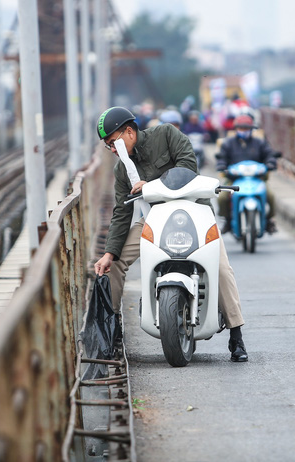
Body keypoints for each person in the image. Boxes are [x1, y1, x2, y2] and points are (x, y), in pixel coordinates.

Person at [93, 106, 248, 362]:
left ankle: (236, 334)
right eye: (107, 146)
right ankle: (113, 331)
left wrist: (151, 185)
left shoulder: (166, 135)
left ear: (129, 132)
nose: (111, 149)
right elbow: (122, 213)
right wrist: (109, 252)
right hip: (154, 219)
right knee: (116, 263)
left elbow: (188, 166)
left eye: (112, 142)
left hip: (195, 212)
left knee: (220, 267)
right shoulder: (122, 170)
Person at [215, 114, 279, 234]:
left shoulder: (259, 143)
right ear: (236, 129)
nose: (243, 131)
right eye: (241, 128)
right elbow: (221, 158)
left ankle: (269, 220)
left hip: (257, 179)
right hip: (234, 180)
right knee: (222, 197)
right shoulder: (228, 144)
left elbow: (269, 155)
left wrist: (270, 163)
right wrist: (222, 167)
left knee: (270, 196)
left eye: (246, 128)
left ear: (251, 129)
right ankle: (228, 221)